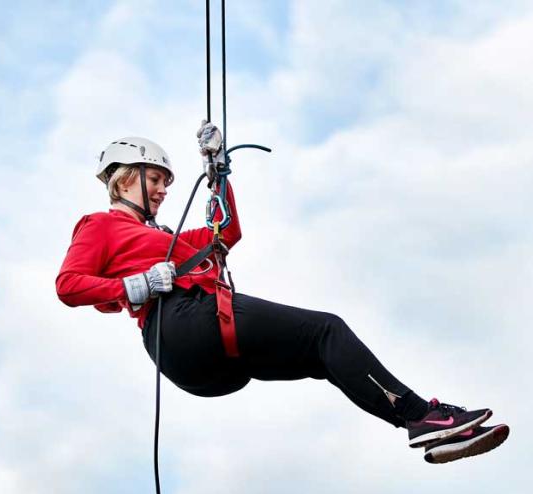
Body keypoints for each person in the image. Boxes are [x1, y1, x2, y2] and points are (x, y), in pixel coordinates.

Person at [55, 125, 509, 463]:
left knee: (324, 356)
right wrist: (135, 284)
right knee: (326, 330)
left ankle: (427, 427)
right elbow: (69, 285)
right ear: (124, 178)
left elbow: (226, 232)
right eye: (155, 179)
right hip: (180, 323)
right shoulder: (101, 225)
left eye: (166, 183)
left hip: (194, 350)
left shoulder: (171, 239)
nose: (162, 191)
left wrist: (217, 175)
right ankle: (421, 416)